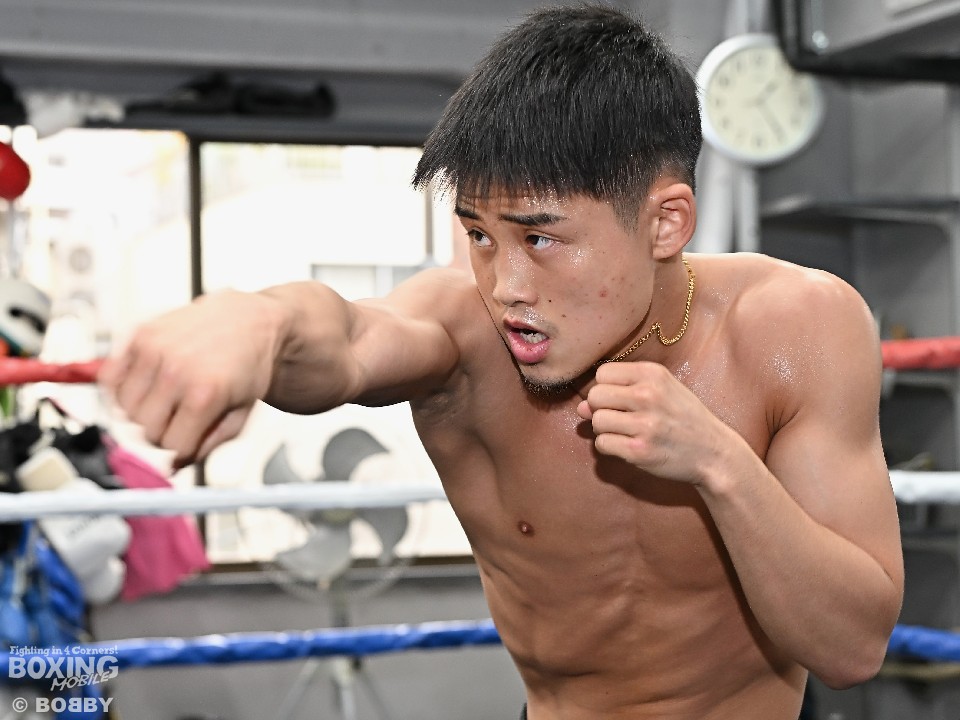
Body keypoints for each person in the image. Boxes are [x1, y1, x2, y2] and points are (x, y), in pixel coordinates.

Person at [99, 5, 904, 719]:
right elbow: (351, 336)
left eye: (540, 237)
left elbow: (852, 648)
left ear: (666, 222)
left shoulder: (794, 328)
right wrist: (260, 319)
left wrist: (719, 465)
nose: (506, 286)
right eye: (480, 234)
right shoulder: (465, 338)